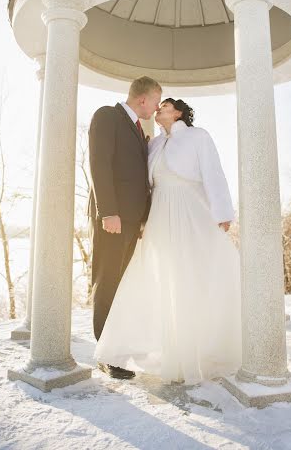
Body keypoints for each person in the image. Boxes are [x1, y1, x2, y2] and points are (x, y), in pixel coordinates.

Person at [95, 98, 242, 384]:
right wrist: (141, 219)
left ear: (178, 112)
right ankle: (162, 346)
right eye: (158, 106)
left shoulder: (198, 136)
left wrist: (223, 211)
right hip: (159, 213)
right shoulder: (154, 144)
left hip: (189, 210)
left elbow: (213, 173)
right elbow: (144, 184)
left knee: (191, 275)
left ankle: (198, 347)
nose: (158, 110)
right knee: (160, 276)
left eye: (164, 106)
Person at [88, 76, 162, 379]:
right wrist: (108, 211)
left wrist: (142, 217)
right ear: (142, 99)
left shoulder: (138, 128)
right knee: (107, 282)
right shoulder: (108, 115)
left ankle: (117, 345)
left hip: (131, 220)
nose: (157, 108)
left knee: (122, 284)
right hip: (114, 218)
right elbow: (99, 163)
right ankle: (106, 355)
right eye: (157, 101)